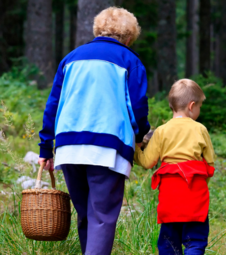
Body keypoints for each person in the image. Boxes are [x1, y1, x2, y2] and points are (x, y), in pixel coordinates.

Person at [37, 7, 150, 255]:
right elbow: (138, 106)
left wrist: (46, 146)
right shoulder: (129, 60)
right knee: (102, 216)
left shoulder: (71, 58)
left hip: (68, 147)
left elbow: (53, 105)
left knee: (86, 213)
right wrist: (142, 136)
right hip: (107, 148)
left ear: (98, 30)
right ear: (129, 37)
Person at [134, 79, 215, 255]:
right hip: (195, 194)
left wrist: (135, 148)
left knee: (169, 242)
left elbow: (147, 162)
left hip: (170, 195)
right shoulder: (200, 129)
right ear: (191, 106)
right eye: (200, 106)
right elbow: (210, 164)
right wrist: (202, 181)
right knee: (195, 241)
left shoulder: (162, 131)